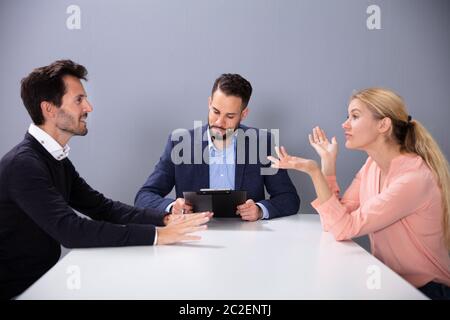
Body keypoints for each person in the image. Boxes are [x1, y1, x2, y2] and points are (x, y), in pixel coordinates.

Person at [0, 60, 212, 300]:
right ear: (49, 109)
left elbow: (101, 207)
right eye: (78, 100)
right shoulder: (24, 165)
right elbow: (71, 231)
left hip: (43, 283)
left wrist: (165, 218)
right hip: (18, 291)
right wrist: (157, 235)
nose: (88, 107)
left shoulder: (54, 158)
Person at [268, 88, 450, 299]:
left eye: (354, 116)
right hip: (391, 282)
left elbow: (343, 227)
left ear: (383, 125)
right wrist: (328, 164)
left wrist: (313, 171)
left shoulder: (413, 179)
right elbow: (333, 222)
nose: (345, 124)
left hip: (428, 291)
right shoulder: (372, 165)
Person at [135, 74, 300, 221]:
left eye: (230, 116)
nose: (219, 122)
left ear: (243, 114)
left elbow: (289, 198)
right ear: (209, 103)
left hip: (249, 240)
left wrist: (259, 210)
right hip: (193, 238)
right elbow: (144, 196)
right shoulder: (180, 143)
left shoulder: (262, 143)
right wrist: (172, 207)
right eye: (215, 111)